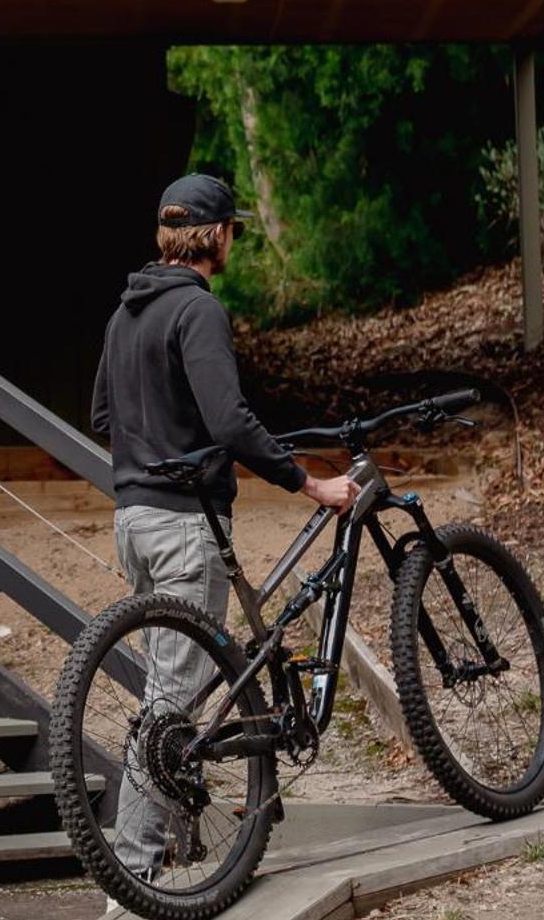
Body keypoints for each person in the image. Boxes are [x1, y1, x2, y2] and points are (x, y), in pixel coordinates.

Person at [90, 172, 356, 879]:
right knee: (170, 705)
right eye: (232, 228)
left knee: (162, 688)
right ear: (214, 236)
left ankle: (171, 846)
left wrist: (151, 450)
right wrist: (308, 482)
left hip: (134, 522)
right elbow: (230, 420)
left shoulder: (125, 314)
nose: (234, 236)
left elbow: (103, 417)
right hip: (183, 525)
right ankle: (136, 874)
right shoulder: (197, 311)